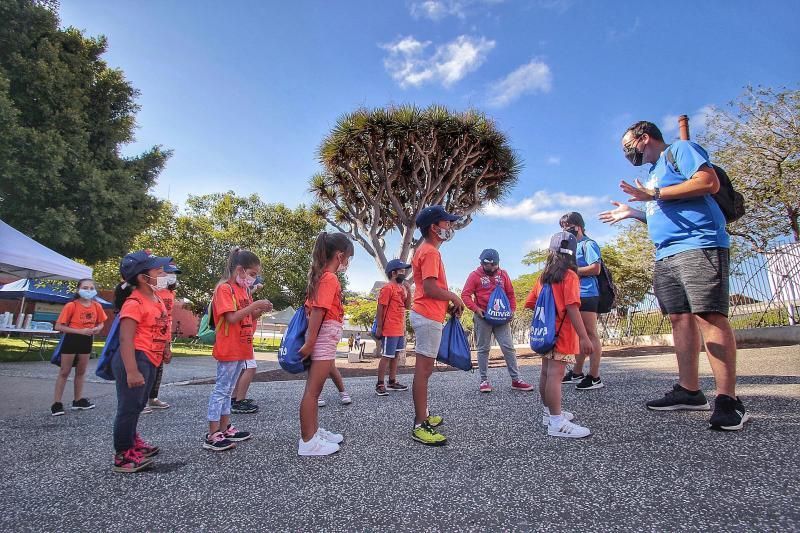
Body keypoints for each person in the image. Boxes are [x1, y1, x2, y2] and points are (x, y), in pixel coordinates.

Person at [600, 120, 748, 431]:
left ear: (644, 138)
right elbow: (660, 210)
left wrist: (654, 193)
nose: (627, 153)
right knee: (679, 318)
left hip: (699, 243)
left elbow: (708, 182)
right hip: (665, 253)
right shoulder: (652, 174)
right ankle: (690, 390)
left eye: (628, 145)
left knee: (709, 316)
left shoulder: (680, 150)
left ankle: (728, 400)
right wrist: (633, 212)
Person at [524, 232, 593, 438]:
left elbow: (530, 303)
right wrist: (584, 336)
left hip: (546, 334)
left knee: (546, 374)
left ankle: (549, 413)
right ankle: (556, 422)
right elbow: (572, 308)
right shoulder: (570, 276)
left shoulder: (544, 277)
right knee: (556, 376)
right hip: (562, 335)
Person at [203, 247, 273, 451]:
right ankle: (212, 432)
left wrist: (258, 310)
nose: (253, 278)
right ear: (240, 270)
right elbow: (231, 317)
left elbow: (247, 317)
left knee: (228, 391)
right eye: (252, 274)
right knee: (221, 390)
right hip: (229, 346)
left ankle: (225, 427)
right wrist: (255, 305)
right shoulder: (224, 289)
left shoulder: (243, 290)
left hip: (242, 346)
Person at [112, 250, 173, 472]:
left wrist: (165, 348)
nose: (163, 274)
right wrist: (131, 371)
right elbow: (125, 338)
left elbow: (160, 326)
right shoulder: (134, 302)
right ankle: (123, 454)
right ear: (142, 277)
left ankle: (132, 440)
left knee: (138, 405)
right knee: (128, 408)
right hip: (135, 358)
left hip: (149, 358)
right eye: (158, 271)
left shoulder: (155, 298)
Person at [409, 205, 465, 446]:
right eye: (446, 223)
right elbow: (431, 288)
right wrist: (454, 297)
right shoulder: (431, 252)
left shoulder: (424, 250)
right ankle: (420, 424)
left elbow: (428, 288)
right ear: (434, 227)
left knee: (425, 370)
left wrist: (447, 302)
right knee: (423, 371)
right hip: (427, 316)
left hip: (427, 313)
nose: (450, 226)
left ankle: (425, 416)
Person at [297, 231, 354, 456]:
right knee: (313, 391)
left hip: (324, 338)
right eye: (348, 257)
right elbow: (319, 310)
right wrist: (311, 342)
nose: (347, 263)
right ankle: (308, 442)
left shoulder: (323, 276)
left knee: (315, 388)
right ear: (339, 256)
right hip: (322, 338)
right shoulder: (329, 278)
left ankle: (313, 431)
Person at [461, 249, 534, 393]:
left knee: (508, 347)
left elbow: (510, 293)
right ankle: (484, 380)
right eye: (489, 266)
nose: (493, 268)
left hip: (501, 318)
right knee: (483, 348)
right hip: (483, 317)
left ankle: (516, 380)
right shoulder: (474, 276)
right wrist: (476, 309)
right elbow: (465, 295)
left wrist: (512, 310)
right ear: (482, 263)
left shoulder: (503, 274)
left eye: (495, 265)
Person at [558, 213, 605, 391]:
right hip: (572, 294)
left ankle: (594, 376)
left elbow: (596, 268)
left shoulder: (588, 244)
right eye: (562, 226)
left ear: (578, 226)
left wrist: (574, 271)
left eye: (568, 225)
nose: (565, 229)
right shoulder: (569, 246)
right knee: (578, 335)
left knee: (590, 334)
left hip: (587, 293)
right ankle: (577, 372)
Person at [51, 278, 107, 416]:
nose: (88, 291)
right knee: (65, 371)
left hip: (87, 340)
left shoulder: (96, 306)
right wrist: (79, 331)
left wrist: (97, 328)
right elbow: (59, 326)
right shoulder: (71, 306)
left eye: (91, 288)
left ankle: (78, 400)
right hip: (72, 339)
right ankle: (57, 403)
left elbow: (101, 322)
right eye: (85, 288)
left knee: (81, 372)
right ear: (78, 289)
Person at [144, 262, 181, 413]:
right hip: (149, 334)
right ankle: (140, 400)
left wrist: (168, 342)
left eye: (174, 274)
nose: (171, 276)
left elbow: (169, 317)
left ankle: (153, 397)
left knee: (158, 368)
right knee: (146, 367)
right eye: (168, 273)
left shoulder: (171, 294)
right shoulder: (151, 292)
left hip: (164, 332)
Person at [375, 259, 412, 396]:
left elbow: (408, 306)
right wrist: (379, 327)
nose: (404, 273)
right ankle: (380, 383)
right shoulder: (387, 288)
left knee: (395, 355)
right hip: (389, 328)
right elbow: (380, 308)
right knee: (386, 356)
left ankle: (392, 381)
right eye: (402, 270)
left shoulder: (401, 288)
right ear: (393, 272)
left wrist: (408, 290)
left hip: (399, 329)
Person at [232, 274, 265, 414]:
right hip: (241, 338)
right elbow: (238, 315)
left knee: (241, 369)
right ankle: (239, 401)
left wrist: (261, 309)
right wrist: (256, 306)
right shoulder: (241, 295)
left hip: (246, 337)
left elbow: (249, 316)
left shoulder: (247, 296)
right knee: (250, 368)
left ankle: (234, 397)